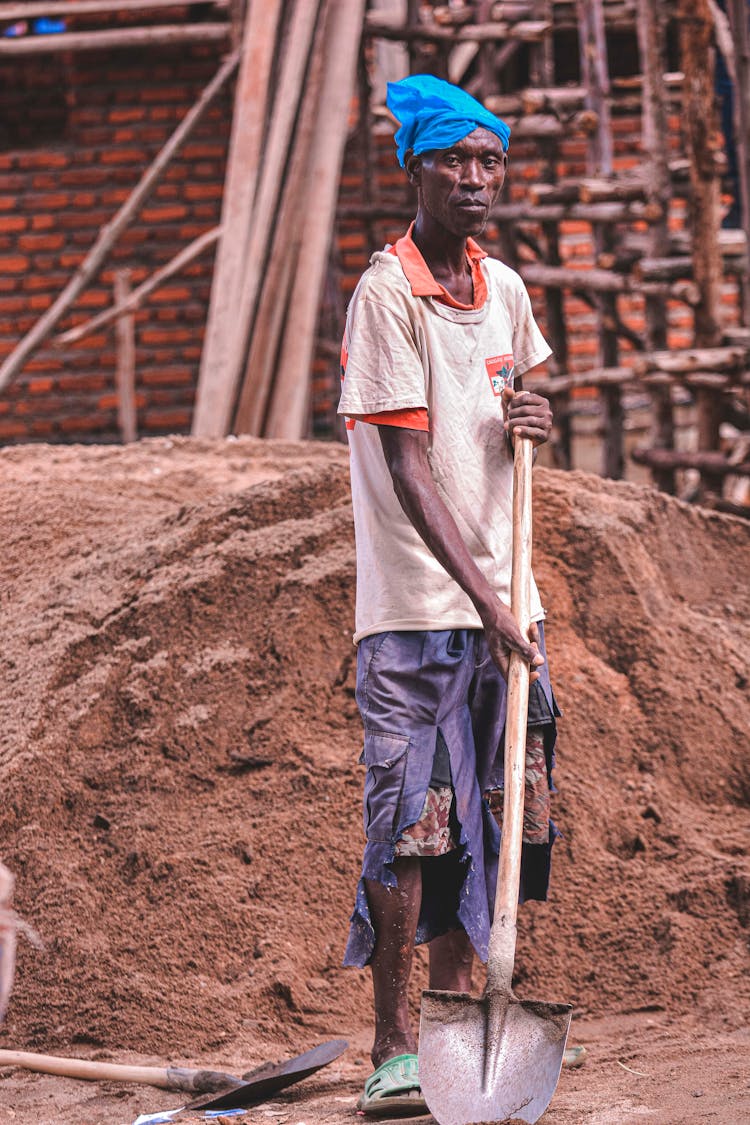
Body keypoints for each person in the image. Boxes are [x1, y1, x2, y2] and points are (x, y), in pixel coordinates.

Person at [338, 75, 562, 1116]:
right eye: (454, 161)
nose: (475, 179)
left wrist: (532, 415)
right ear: (415, 170)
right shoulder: (385, 294)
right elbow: (407, 471)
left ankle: (459, 1027)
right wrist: (482, 599)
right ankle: (392, 1049)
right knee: (412, 826)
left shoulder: (506, 288)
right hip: (424, 614)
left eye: (489, 161)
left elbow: (515, 405)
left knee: (497, 825)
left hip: (507, 603)